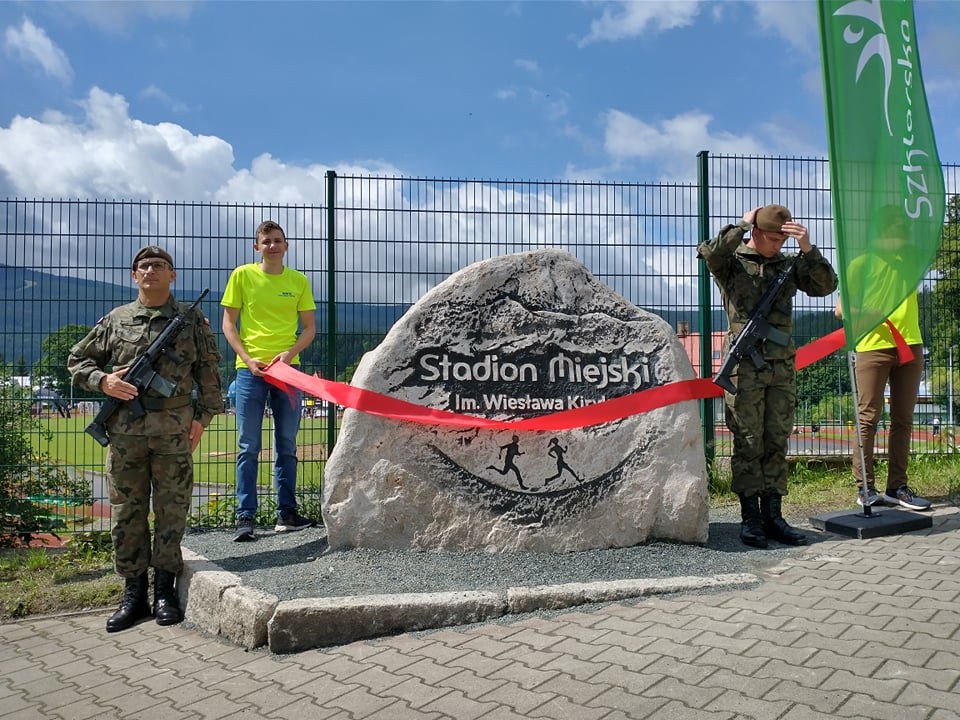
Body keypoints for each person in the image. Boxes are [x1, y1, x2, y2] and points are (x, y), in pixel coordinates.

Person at [68, 246, 223, 632]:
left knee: (172, 510)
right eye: (144, 266)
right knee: (127, 512)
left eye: (160, 265)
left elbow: (209, 372)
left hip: (174, 434)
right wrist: (104, 381)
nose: (151, 270)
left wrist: (202, 418)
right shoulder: (117, 320)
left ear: (173, 275)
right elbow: (77, 360)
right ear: (134, 276)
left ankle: (165, 590)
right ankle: (134, 594)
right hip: (126, 435)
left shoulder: (191, 320)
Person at [699, 205, 838, 548]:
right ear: (756, 233)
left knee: (776, 441)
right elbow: (710, 253)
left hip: (780, 368)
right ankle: (751, 518)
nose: (778, 245)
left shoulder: (788, 265)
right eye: (773, 239)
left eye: (783, 240)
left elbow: (826, 285)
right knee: (748, 442)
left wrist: (807, 248)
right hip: (744, 368)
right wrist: (742, 224)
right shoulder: (732, 262)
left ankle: (774, 516)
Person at [222, 220, 317, 542]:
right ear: (257, 247)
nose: (272, 246)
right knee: (248, 446)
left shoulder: (299, 281)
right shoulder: (242, 276)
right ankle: (245, 517)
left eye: (277, 240)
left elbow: (309, 328)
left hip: (287, 372)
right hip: (250, 371)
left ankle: (287, 513)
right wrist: (248, 359)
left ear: (286, 246)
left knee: (287, 444)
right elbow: (228, 324)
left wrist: (288, 356)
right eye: (266, 241)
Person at [835, 291, 931, 511]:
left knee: (903, 420)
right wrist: (875, 313)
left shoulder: (907, 269)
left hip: (910, 344)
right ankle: (865, 489)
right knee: (867, 419)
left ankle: (897, 488)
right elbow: (840, 310)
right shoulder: (859, 269)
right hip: (872, 346)